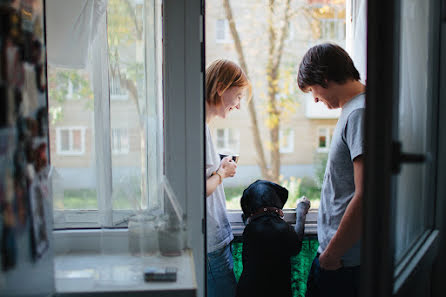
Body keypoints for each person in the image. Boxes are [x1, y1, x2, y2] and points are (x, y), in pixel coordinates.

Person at [297, 43, 366, 297]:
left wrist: (331, 256)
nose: (314, 98)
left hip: (343, 262)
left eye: (313, 90)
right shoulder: (352, 110)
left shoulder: (360, 113)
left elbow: (365, 195)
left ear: (324, 79)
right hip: (337, 257)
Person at [205, 59, 251, 297]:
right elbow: (197, 188)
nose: (239, 105)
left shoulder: (202, 125)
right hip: (211, 245)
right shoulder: (197, 128)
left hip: (215, 240)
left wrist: (218, 170)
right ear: (222, 87)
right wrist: (222, 173)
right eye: (239, 96)